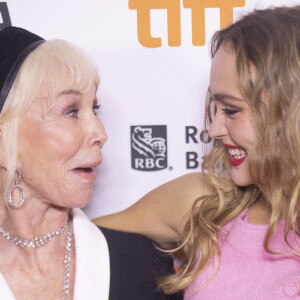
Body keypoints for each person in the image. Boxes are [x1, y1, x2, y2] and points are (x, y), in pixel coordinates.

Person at [94, 5, 300, 299]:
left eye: (231, 110)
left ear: (289, 111)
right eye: (216, 109)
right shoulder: (205, 206)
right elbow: (63, 248)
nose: (214, 130)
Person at [0, 26, 181, 300]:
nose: (100, 133)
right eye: (71, 111)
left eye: (94, 108)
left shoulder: (145, 267)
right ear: (5, 139)